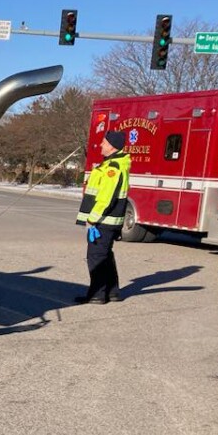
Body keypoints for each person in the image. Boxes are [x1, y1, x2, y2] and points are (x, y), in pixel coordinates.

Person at [74, 129, 131, 304]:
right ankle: (112, 292)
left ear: (112, 147)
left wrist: (92, 219)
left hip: (103, 221)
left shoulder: (112, 168)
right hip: (107, 221)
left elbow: (106, 197)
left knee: (96, 257)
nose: (101, 145)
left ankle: (97, 294)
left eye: (104, 143)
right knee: (105, 255)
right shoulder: (112, 164)